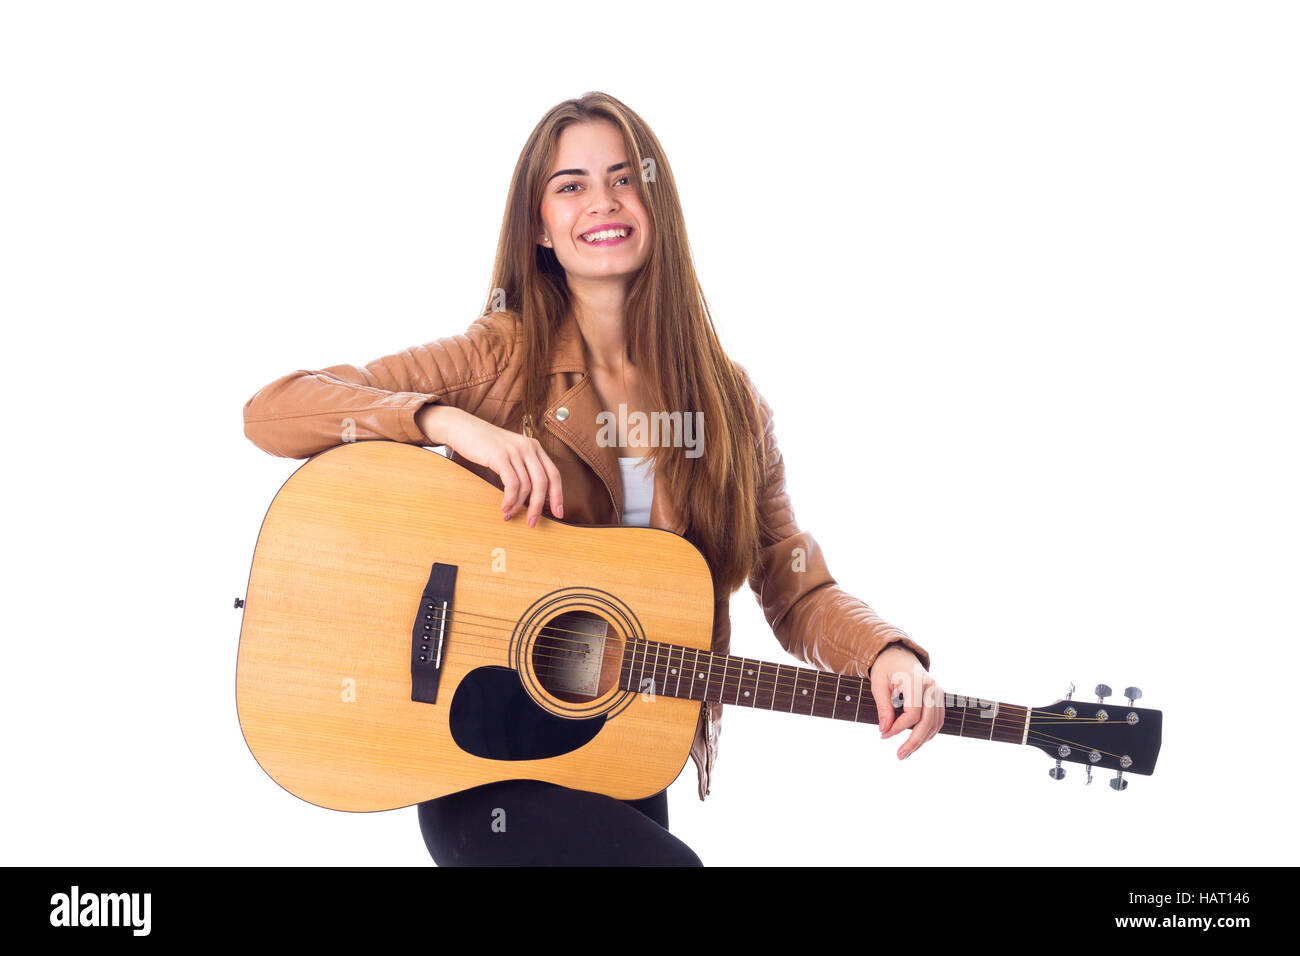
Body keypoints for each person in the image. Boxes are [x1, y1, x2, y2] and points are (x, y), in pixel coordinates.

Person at [242, 91, 945, 866]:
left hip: (616, 749)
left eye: (622, 178)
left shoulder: (733, 406)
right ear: (540, 227)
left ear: (656, 203)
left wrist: (886, 653)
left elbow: (792, 577)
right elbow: (277, 411)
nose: (602, 203)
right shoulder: (499, 356)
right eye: (570, 185)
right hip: (484, 762)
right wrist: (444, 420)